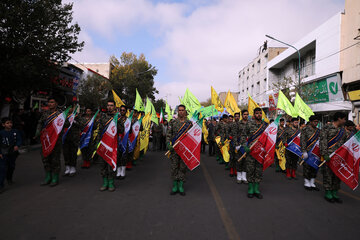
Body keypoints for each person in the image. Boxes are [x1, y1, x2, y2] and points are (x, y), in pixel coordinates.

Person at [320, 112, 347, 203]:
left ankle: (334, 192)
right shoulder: (326, 128)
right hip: (329, 156)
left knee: (337, 175)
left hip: (339, 157)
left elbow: (345, 142)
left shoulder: (343, 130)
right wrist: (324, 154)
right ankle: (328, 192)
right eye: (344, 119)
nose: (345, 121)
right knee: (328, 175)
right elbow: (323, 141)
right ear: (339, 118)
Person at [35, 97, 63, 187]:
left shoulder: (60, 114)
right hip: (46, 139)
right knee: (45, 158)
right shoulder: (45, 113)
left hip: (56, 140)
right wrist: (38, 131)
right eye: (49, 102)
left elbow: (66, 124)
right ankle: (48, 176)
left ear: (56, 103)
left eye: (52, 102)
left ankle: (55, 177)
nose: (50, 104)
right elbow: (40, 123)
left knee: (55, 159)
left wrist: (63, 120)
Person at [166, 104, 192, 196]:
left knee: (183, 167)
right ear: (178, 111)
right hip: (174, 149)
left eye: (182, 110)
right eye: (179, 110)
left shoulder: (189, 124)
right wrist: (168, 144)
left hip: (184, 149)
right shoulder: (172, 122)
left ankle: (181, 186)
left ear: (185, 112)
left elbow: (192, 137)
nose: (181, 112)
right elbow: (169, 134)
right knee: (174, 167)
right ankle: (175, 186)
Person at [244, 108, 268, 199]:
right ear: (254, 115)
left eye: (260, 113)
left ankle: (256, 189)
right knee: (250, 169)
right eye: (257, 113)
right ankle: (250, 189)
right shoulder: (249, 124)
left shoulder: (265, 126)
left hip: (261, 152)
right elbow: (243, 135)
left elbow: (269, 138)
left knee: (258, 170)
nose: (259, 115)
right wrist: (244, 146)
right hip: (251, 151)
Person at [98, 100, 121, 192]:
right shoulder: (103, 117)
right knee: (103, 164)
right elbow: (100, 131)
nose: (109, 107)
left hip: (113, 144)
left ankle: (111, 182)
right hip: (104, 144)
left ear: (114, 107)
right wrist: (97, 143)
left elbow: (122, 130)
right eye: (108, 105)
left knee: (111, 164)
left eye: (111, 105)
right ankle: (105, 182)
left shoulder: (117, 117)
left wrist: (117, 123)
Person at [0, 118, 22, 193]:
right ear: (3, 125)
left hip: (12, 152)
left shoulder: (15, 131)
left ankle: (9, 178)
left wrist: (17, 145)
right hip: (4, 152)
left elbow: (19, 139)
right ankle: (1, 185)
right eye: (7, 123)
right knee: (2, 168)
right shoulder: (1, 133)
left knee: (11, 166)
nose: (9, 124)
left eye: (10, 123)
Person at [300, 115, 320, 191]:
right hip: (308, 151)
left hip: (316, 152)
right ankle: (306, 182)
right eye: (314, 121)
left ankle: (312, 182)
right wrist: (304, 151)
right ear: (310, 122)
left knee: (314, 167)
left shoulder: (318, 131)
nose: (316, 123)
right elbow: (303, 141)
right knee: (307, 167)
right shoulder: (305, 129)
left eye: (317, 122)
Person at [62, 104, 81, 177]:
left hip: (74, 137)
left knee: (73, 153)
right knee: (66, 153)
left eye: (71, 107)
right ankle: (67, 167)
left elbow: (81, 124)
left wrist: (74, 122)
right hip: (65, 137)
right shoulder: (63, 115)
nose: (69, 109)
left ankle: (73, 167)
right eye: (67, 107)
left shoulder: (76, 116)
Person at [235, 110, 249, 183]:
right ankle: (239, 177)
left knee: (246, 161)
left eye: (247, 114)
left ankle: (244, 177)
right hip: (240, 145)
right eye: (244, 114)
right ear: (242, 115)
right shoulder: (238, 124)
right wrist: (236, 145)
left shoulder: (250, 123)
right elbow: (235, 134)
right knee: (239, 161)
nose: (245, 116)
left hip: (248, 145)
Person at [116, 105, 127, 179]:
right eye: (121, 110)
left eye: (124, 110)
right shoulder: (116, 119)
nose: (122, 111)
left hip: (125, 140)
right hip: (117, 140)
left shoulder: (128, 120)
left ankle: (123, 171)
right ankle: (118, 171)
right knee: (118, 156)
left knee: (124, 156)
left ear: (126, 111)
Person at [228, 112, 241, 177]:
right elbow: (227, 132)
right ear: (234, 117)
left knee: (237, 157)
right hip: (232, 143)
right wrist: (230, 136)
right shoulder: (231, 124)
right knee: (231, 157)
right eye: (235, 116)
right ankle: (231, 170)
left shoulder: (241, 124)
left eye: (238, 116)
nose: (237, 117)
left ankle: (236, 170)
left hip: (239, 143)